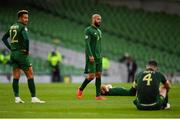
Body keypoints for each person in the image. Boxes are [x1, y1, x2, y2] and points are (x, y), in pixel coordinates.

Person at [1, 10, 45, 103]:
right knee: (30, 75)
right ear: (20, 18)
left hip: (13, 54)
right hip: (21, 54)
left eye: (27, 18)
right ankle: (34, 98)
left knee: (16, 76)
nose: (27, 20)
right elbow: (26, 39)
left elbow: (4, 38)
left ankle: (17, 98)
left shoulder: (12, 26)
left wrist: (11, 48)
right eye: (25, 17)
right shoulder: (22, 27)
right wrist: (27, 50)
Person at [76, 14, 105, 100]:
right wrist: (90, 55)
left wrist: (100, 55)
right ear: (93, 19)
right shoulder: (88, 30)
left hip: (99, 57)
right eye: (98, 19)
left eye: (100, 19)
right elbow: (87, 44)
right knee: (92, 76)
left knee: (99, 75)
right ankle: (80, 89)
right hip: (92, 57)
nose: (99, 21)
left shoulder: (99, 31)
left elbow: (99, 45)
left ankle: (98, 95)